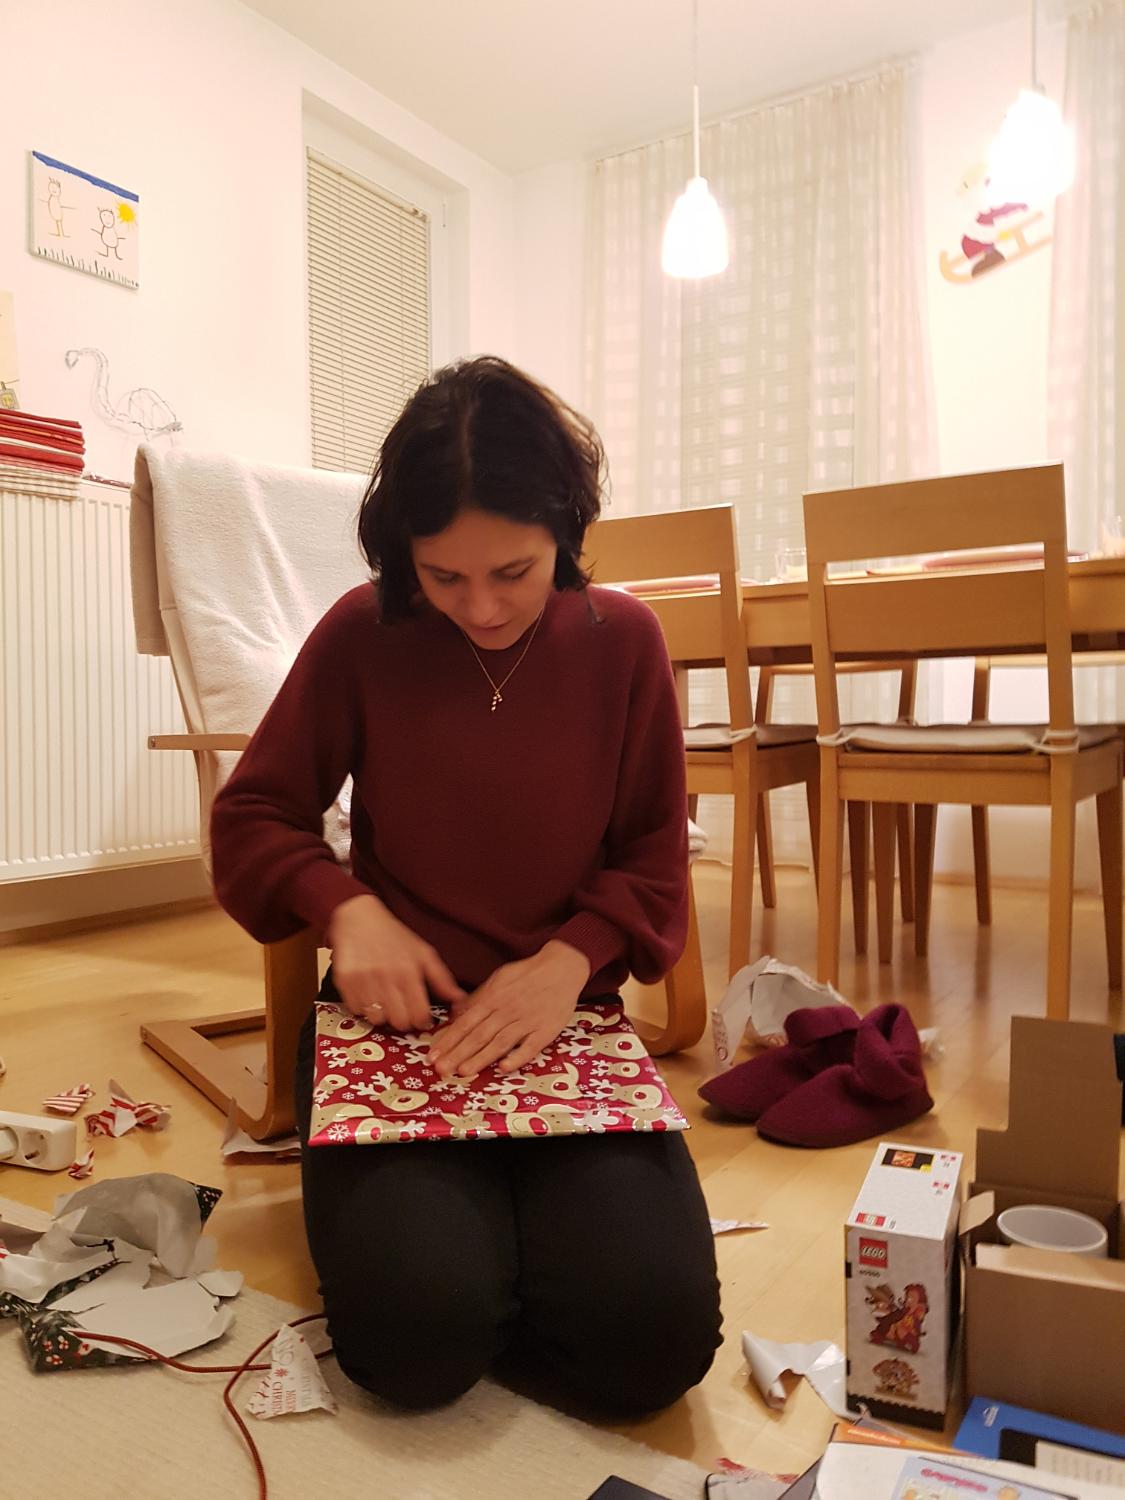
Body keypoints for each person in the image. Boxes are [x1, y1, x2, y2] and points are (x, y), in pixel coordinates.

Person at [210, 355, 722, 1417]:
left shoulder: (624, 640)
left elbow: (653, 855)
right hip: (394, 1031)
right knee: (411, 1351)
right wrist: (346, 908)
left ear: (566, 534)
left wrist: (570, 961)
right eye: (442, 577)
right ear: (403, 555)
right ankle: (475, 1266)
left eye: (514, 572)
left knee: (651, 1350)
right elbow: (253, 817)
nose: (481, 607)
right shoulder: (363, 632)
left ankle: (500, 1256)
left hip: (565, 1023)